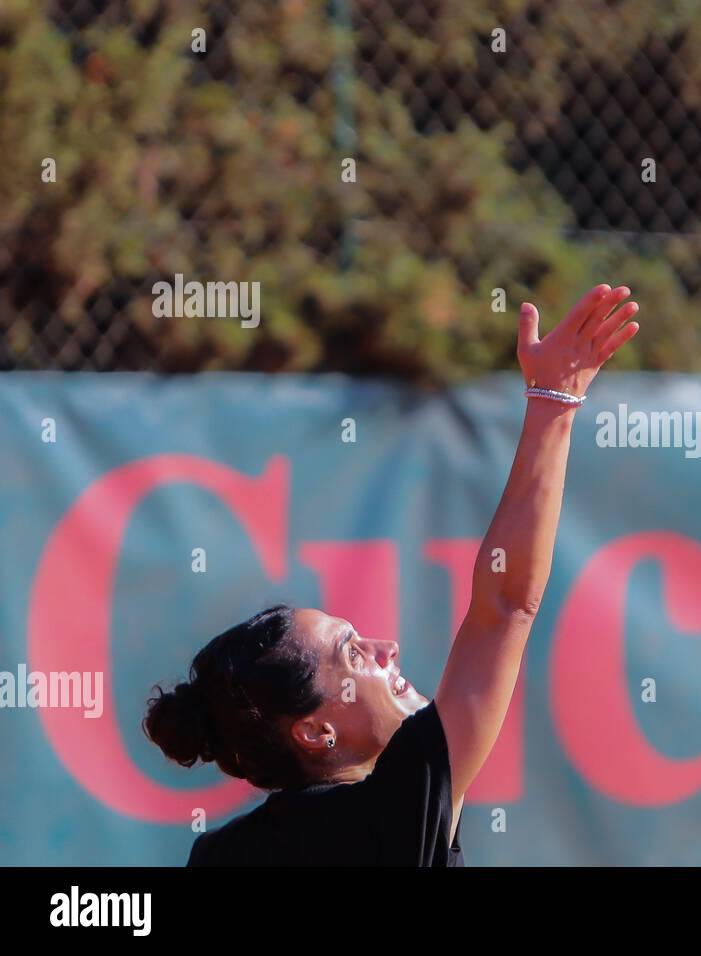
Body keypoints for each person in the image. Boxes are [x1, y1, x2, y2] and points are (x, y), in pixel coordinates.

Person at [143, 284, 640, 865]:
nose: (386, 649)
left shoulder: (220, 857)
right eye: (352, 654)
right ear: (314, 732)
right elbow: (506, 607)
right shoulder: (393, 813)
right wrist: (554, 404)